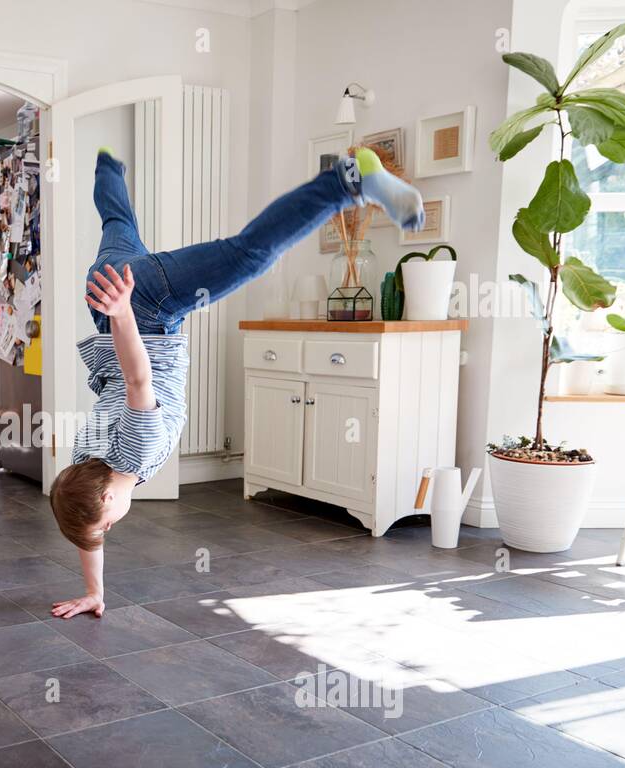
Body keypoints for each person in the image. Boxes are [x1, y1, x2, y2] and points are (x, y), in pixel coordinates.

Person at [48, 146, 423, 619]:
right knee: (117, 224)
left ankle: (346, 182)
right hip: (104, 291)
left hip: (141, 309)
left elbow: (137, 377)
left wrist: (125, 312)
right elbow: (85, 520)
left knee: (248, 256)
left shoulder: (134, 455)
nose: (109, 530)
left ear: (105, 497)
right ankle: (107, 165)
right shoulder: (84, 467)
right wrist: (95, 592)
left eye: (107, 526)